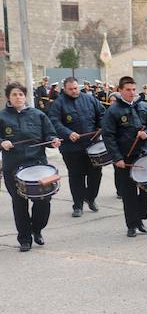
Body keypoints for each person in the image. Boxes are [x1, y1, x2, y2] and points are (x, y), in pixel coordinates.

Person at [1, 82, 62, 251]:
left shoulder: (38, 115)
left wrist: (53, 141)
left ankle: (37, 229)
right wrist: (2, 142)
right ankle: (24, 239)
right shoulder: (2, 116)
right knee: (19, 203)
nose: (18, 97)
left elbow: (49, 134)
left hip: (38, 165)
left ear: (25, 96)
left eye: (21, 94)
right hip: (13, 167)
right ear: (8, 97)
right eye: (14, 94)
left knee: (44, 200)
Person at [101, 76, 147, 237]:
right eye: (128, 90)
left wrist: (146, 133)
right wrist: (117, 158)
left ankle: (140, 218)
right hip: (124, 157)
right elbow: (108, 136)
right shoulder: (113, 111)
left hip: (143, 154)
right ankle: (131, 224)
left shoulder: (143, 106)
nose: (131, 93)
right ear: (120, 91)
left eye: (134, 89)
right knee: (129, 193)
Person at [48, 77, 105, 217]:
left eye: (76, 88)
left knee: (96, 174)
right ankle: (78, 205)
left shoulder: (90, 99)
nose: (74, 91)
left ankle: (90, 198)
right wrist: (68, 133)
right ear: (65, 89)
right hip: (71, 148)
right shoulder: (58, 103)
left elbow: (103, 114)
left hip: (92, 145)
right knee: (76, 176)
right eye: (71, 89)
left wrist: (101, 127)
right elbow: (54, 122)